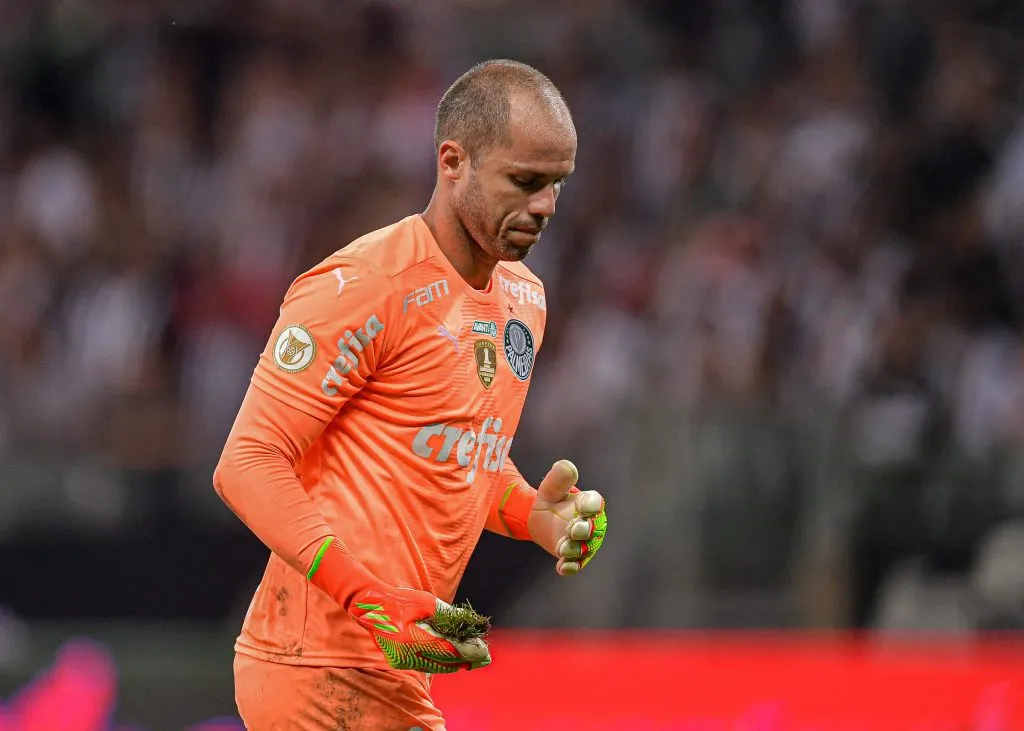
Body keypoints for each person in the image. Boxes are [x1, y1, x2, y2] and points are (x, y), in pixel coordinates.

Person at [213, 59, 609, 731]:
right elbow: (246, 463)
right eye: (524, 181)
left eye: (556, 185)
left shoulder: (524, 301)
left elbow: (457, 461)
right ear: (452, 161)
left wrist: (535, 516)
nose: (543, 206)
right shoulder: (367, 284)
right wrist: (368, 597)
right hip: (315, 666)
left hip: (393, 671)